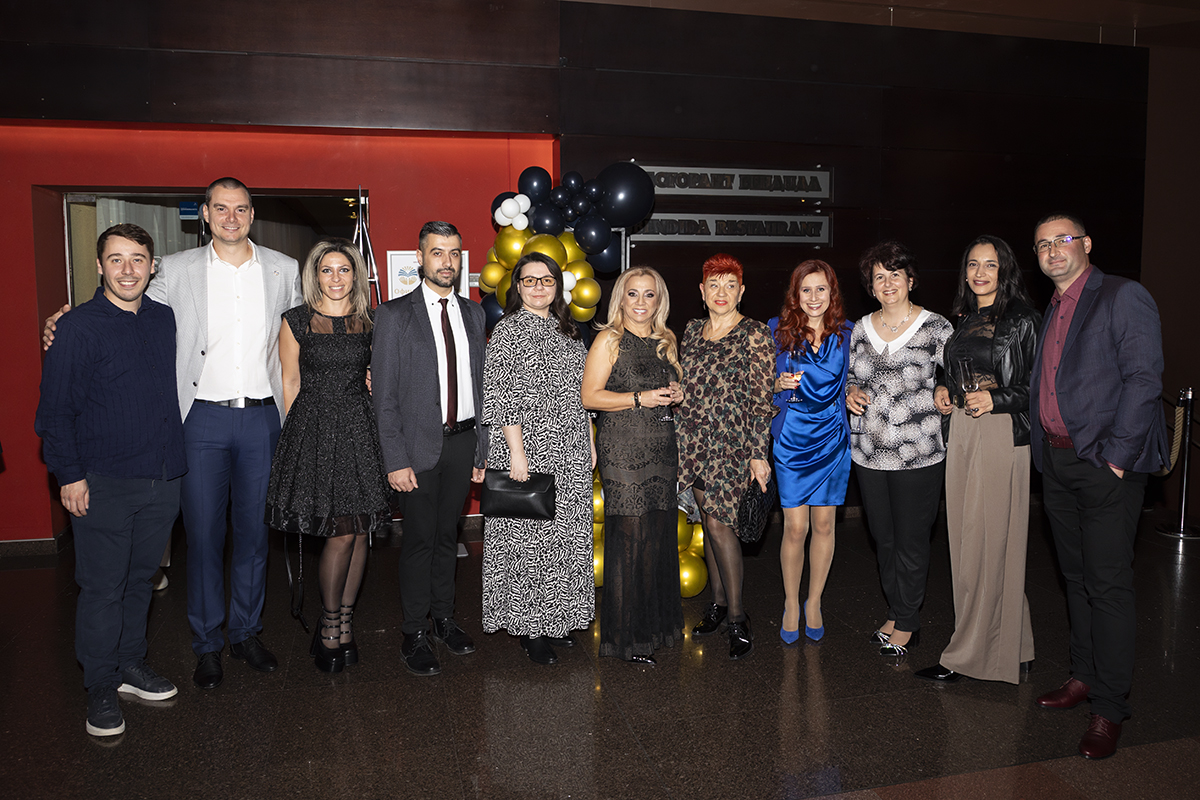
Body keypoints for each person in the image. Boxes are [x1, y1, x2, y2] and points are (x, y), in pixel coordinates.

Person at [44, 178, 302, 690]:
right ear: (204, 214)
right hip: (199, 420)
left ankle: (246, 632)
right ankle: (206, 643)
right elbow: (123, 300)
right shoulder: (177, 268)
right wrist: (66, 322)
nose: (231, 218)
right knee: (203, 538)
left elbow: (302, 331)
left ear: (253, 214)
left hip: (262, 418)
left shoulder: (283, 268)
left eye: (241, 209)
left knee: (255, 536)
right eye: (221, 208)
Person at [35, 224, 186, 736]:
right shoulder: (77, 328)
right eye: (116, 259)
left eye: (137, 259)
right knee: (103, 588)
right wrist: (69, 476)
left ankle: (129, 665)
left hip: (162, 476)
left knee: (141, 580)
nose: (127, 269)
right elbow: (55, 413)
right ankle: (99, 685)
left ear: (152, 266)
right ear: (99, 266)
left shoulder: (163, 318)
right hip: (103, 481)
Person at [1028, 214, 1168, 760]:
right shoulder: (1053, 306)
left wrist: (1116, 460)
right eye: (1042, 244)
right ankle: (1083, 676)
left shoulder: (1123, 296)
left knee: (1107, 586)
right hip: (1058, 463)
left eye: (1062, 240)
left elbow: (1143, 379)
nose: (1052, 251)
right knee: (1075, 578)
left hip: (1105, 464)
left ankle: (1109, 706)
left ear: (1086, 244)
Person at [917, 235, 1040, 684]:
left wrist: (996, 399)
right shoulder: (966, 318)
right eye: (973, 264)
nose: (980, 273)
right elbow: (959, 373)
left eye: (990, 264)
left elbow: (1039, 387)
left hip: (999, 431)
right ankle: (1015, 646)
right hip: (966, 429)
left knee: (981, 545)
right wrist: (943, 389)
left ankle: (967, 656)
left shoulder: (1023, 319)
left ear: (1005, 270)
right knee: (978, 542)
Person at [264, 239, 390, 673]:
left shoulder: (370, 321)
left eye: (344, 270)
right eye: (327, 270)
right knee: (338, 533)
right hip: (315, 431)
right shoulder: (295, 320)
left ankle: (346, 622)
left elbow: (380, 373)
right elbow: (290, 382)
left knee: (359, 531)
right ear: (314, 276)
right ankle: (329, 624)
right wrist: (295, 442)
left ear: (356, 275)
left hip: (359, 430)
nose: (336, 278)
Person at [372, 221, 486, 677]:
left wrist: (481, 449)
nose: (447, 262)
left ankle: (443, 619)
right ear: (420, 258)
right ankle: (413, 631)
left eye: (454, 253)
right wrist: (395, 460)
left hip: (463, 442)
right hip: (416, 448)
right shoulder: (394, 315)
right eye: (437, 253)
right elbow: (384, 397)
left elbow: (481, 386)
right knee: (419, 540)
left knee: (448, 538)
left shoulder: (474, 314)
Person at [481, 252, 595, 666]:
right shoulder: (507, 331)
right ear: (517, 287)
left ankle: (557, 618)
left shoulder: (570, 330)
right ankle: (531, 627)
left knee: (565, 539)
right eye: (529, 280)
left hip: (570, 448)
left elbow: (583, 393)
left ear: (558, 286)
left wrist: (590, 440)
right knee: (529, 541)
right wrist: (517, 452)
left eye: (546, 280)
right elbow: (501, 397)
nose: (538, 287)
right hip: (528, 447)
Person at [845, 241, 952, 658]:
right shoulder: (860, 328)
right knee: (883, 538)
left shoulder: (935, 326)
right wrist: (851, 392)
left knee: (911, 538)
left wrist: (943, 386)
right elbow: (851, 377)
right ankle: (896, 609)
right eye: (879, 277)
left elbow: (958, 375)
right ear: (870, 286)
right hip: (869, 452)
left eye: (895, 274)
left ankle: (907, 620)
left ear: (910, 279)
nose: (887, 283)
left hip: (918, 453)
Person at [582, 267, 685, 666]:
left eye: (649, 295)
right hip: (623, 450)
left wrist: (676, 394)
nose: (641, 302)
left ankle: (656, 628)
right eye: (633, 294)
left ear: (660, 300)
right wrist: (640, 398)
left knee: (657, 538)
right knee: (630, 541)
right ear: (620, 299)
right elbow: (590, 397)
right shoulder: (609, 339)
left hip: (662, 448)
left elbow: (670, 391)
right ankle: (626, 638)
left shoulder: (665, 340)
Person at [676, 253, 774, 660]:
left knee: (720, 525)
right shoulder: (691, 330)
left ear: (741, 291)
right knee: (707, 523)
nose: (721, 292)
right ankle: (717, 604)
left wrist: (757, 454)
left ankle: (737, 616)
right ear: (702, 291)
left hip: (733, 446)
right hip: (693, 442)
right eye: (714, 285)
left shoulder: (755, 334)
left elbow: (762, 400)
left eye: (729, 285)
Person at [769, 260, 853, 645]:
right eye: (806, 289)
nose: (814, 297)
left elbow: (858, 377)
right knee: (795, 527)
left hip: (832, 437)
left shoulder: (849, 333)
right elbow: (758, 382)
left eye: (821, 289)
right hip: (792, 438)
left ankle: (814, 601)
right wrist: (776, 383)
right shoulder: (776, 330)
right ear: (796, 294)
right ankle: (790, 602)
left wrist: (854, 391)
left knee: (824, 526)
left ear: (832, 293)